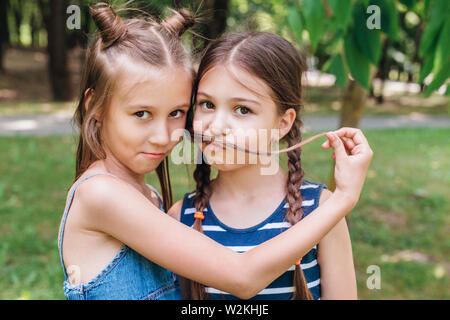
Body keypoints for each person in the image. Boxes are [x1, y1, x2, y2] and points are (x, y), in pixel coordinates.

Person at [58, 3, 373, 300]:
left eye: (177, 112)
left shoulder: (148, 197)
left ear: (283, 123)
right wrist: (344, 199)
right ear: (94, 107)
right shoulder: (107, 195)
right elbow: (242, 276)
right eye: (207, 104)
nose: (163, 136)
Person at [171, 32, 363, 300]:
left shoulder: (322, 212)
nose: (216, 126)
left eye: (243, 110)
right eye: (207, 104)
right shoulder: (181, 218)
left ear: (283, 123)